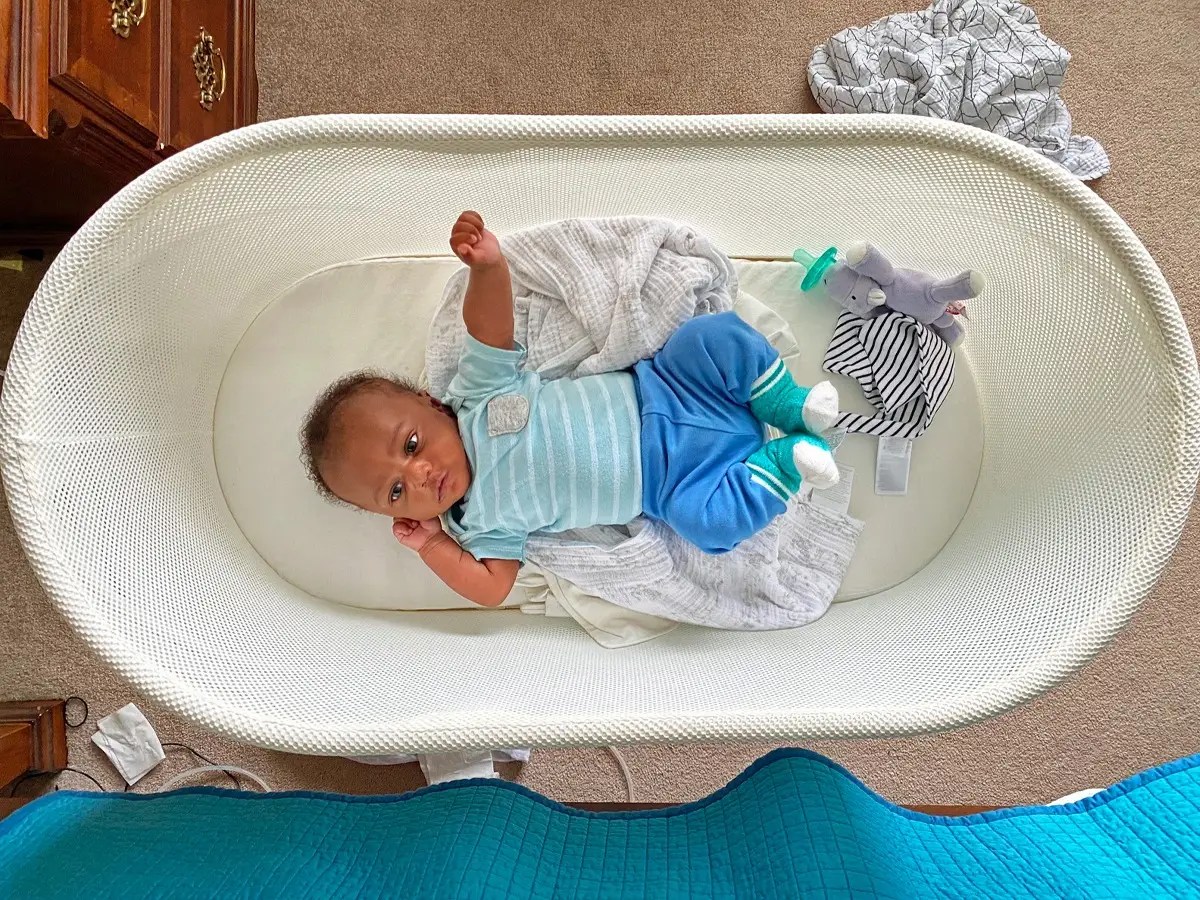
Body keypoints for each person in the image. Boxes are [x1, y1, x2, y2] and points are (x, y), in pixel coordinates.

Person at [301, 212, 840, 607]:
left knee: (711, 336)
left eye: (412, 445)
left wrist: (489, 268)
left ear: (429, 404)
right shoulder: (476, 522)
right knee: (713, 528)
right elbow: (492, 588)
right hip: (675, 483)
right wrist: (435, 546)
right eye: (397, 492)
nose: (419, 475)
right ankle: (786, 461)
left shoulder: (475, 396)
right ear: (398, 516)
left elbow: (489, 329)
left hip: (669, 388)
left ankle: (788, 404)